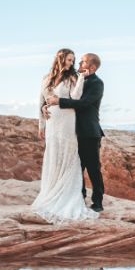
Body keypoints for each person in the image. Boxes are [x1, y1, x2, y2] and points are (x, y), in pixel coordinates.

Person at [31, 49, 97, 223]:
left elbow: (75, 97)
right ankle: (50, 192)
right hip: (52, 122)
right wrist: (41, 125)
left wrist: (81, 78)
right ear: (60, 59)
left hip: (67, 119)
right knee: (53, 155)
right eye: (68, 59)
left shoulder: (73, 77)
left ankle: (67, 197)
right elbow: (41, 101)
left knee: (68, 155)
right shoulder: (46, 78)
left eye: (73, 60)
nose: (71, 63)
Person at [46, 52, 105, 212]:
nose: (79, 63)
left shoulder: (96, 83)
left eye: (83, 61)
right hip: (70, 132)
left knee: (93, 168)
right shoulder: (75, 79)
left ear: (92, 67)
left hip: (88, 132)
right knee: (75, 168)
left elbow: (84, 103)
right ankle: (79, 199)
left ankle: (98, 203)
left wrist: (59, 101)